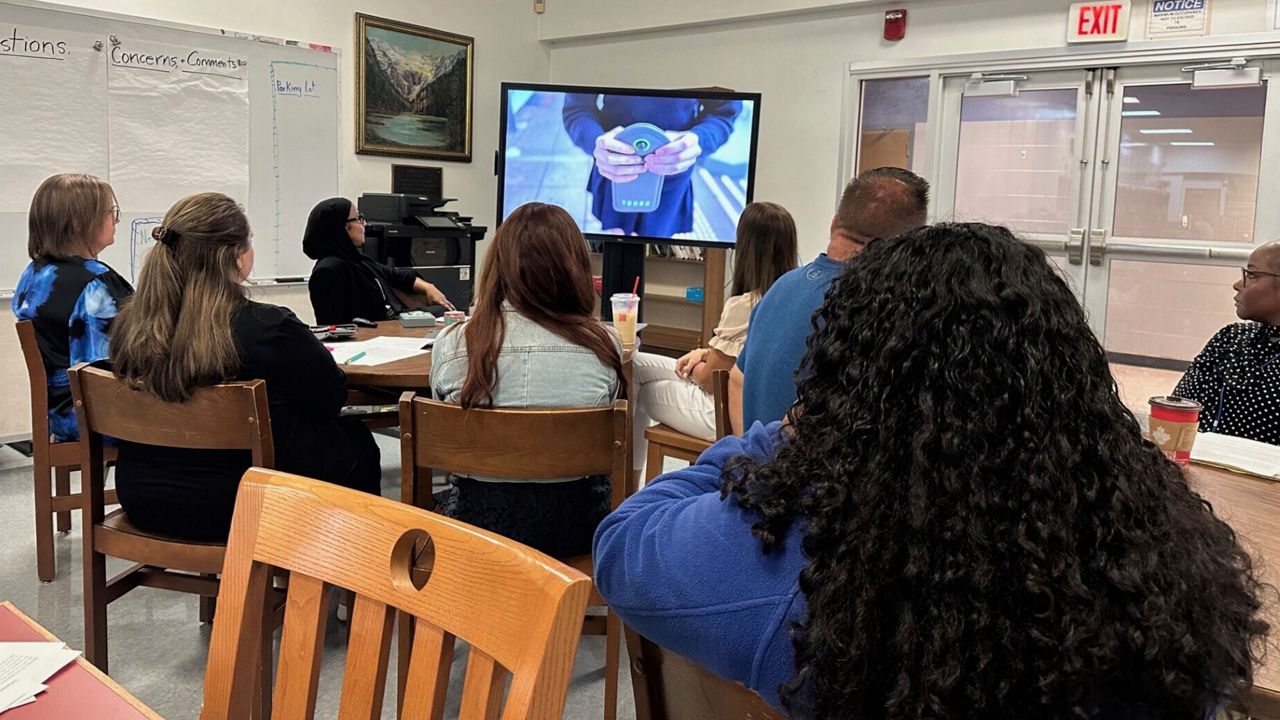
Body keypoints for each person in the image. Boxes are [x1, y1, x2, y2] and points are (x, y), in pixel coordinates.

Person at [594, 223, 1266, 718]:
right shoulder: (1160, 575)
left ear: (847, 373)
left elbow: (624, 540)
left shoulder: (779, 554)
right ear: (1072, 382)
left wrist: (780, 436)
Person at [108, 193, 381, 541]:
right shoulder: (269, 327)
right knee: (356, 442)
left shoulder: (129, 327)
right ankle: (352, 572)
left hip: (143, 497)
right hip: (243, 506)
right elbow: (331, 397)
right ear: (236, 256)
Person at [429, 202, 624, 557]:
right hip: (578, 530)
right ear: (575, 268)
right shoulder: (604, 345)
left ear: (497, 266)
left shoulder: (453, 343)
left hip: (477, 528)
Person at [730, 166, 929, 433]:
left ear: (834, 223)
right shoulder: (883, 313)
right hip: (823, 471)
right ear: (908, 248)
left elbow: (737, 379)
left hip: (760, 468)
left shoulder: (780, 288)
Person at [630, 202, 797, 473]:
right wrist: (704, 353)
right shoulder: (789, 298)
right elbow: (743, 354)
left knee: (640, 388)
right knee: (637, 364)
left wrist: (697, 366)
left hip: (718, 413)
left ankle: (630, 476)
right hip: (756, 410)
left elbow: (709, 380)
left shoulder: (745, 304)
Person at [12, 173, 134, 441]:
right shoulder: (94, 282)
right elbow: (112, 366)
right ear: (79, 222)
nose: (116, 220)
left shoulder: (34, 274)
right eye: (110, 212)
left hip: (58, 412)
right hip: (92, 418)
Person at [563, 94, 742, 237]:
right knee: (615, 233)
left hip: (672, 176)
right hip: (614, 168)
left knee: (657, 235)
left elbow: (724, 112)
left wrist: (699, 139)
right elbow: (577, 108)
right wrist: (594, 141)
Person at [1173, 240, 1280, 445]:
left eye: (1252, 275)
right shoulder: (1231, 337)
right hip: (1202, 462)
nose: (1237, 284)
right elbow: (1180, 406)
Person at [303, 197, 454, 325]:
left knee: (447, 313)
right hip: (373, 336)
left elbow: (393, 274)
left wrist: (429, 288)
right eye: (358, 219)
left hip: (392, 324)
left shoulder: (357, 259)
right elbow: (335, 327)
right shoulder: (329, 271)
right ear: (342, 228)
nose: (365, 225)